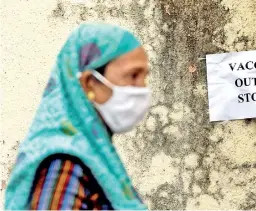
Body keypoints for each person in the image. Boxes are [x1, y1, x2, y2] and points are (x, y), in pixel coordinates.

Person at [5, 22, 150, 210]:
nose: (143, 89)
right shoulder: (64, 167)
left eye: (145, 77)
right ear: (90, 83)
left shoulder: (95, 157)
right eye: (133, 76)